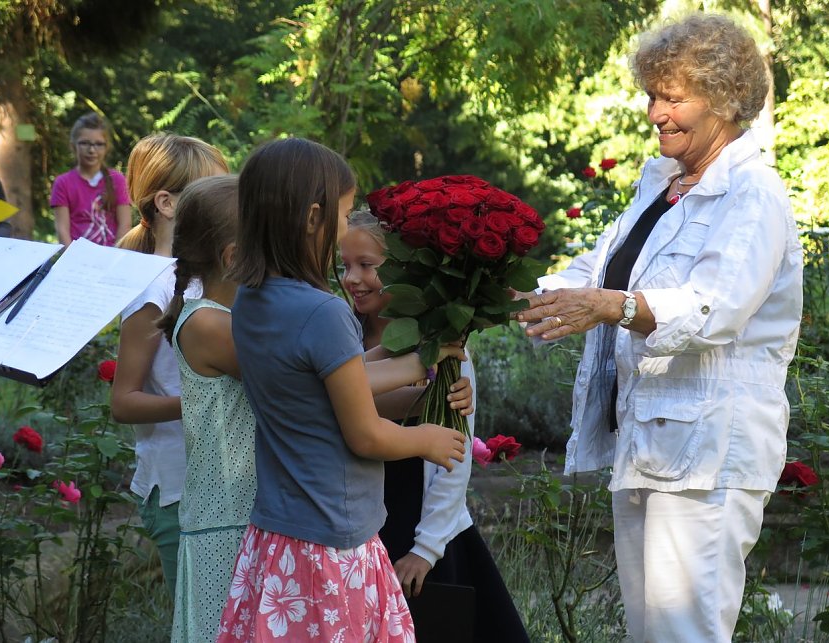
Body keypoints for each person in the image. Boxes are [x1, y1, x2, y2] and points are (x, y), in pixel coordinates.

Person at [516, 13, 803, 642]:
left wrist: (611, 306)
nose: (655, 113)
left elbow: (714, 308)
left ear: (725, 101)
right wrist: (513, 293)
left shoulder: (751, 194)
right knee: (652, 634)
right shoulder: (663, 186)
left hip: (709, 455)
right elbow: (595, 271)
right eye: (652, 95)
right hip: (649, 445)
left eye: (674, 98)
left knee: (685, 633)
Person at [157, 179, 471, 642]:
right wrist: (419, 362)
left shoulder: (245, 311)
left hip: (265, 510)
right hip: (229, 517)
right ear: (232, 256)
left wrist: (426, 380)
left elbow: (336, 379)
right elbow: (326, 383)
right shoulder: (211, 323)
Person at [341, 210, 531, 642]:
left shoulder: (443, 346)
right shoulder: (344, 336)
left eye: (367, 265)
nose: (353, 278)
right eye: (344, 265)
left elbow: (455, 456)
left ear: (403, 268)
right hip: (366, 521)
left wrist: (426, 550)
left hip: (423, 529)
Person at [110, 133, 228, 599]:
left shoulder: (203, 276)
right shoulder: (150, 288)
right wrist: (199, 401)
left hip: (219, 481)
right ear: (167, 203)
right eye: (216, 193)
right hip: (180, 488)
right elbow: (123, 401)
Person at [50, 112, 131, 247]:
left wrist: (115, 256)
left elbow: (125, 224)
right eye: (85, 143)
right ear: (73, 145)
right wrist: (72, 259)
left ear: (107, 147)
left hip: (111, 257)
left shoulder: (117, 179)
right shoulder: (62, 183)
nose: (92, 150)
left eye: (99, 144)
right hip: (75, 259)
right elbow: (62, 230)